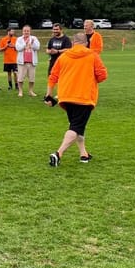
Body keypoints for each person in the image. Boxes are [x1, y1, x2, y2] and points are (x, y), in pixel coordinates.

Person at [44, 31, 107, 167]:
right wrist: (89, 79)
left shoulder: (64, 56)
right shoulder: (92, 55)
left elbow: (53, 77)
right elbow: (102, 75)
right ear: (86, 43)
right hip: (84, 98)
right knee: (75, 127)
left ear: (73, 43)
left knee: (78, 126)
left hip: (66, 98)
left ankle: (83, 154)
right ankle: (58, 154)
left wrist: (48, 95)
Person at [15, 25, 40, 97]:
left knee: (32, 78)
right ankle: (20, 91)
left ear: (30, 31)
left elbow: (37, 47)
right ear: (22, 31)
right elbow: (18, 48)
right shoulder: (19, 39)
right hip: (22, 62)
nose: (26, 32)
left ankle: (31, 91)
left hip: (32, 62)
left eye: (28, 31)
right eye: (25, 31)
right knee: (20, 78)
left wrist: (32, 44)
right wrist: (25, 44)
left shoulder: (34, 38)